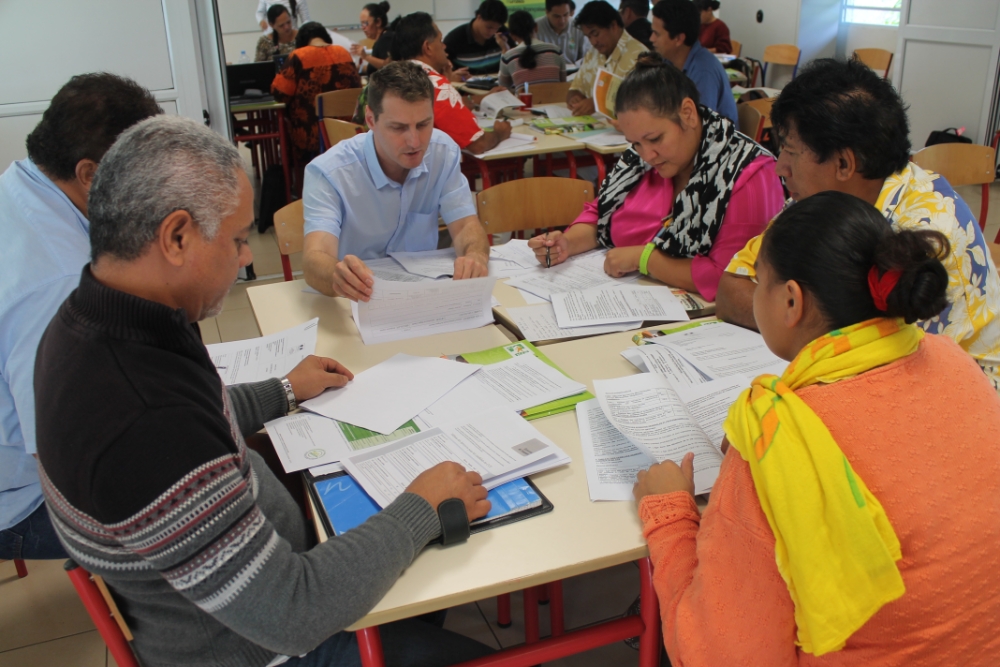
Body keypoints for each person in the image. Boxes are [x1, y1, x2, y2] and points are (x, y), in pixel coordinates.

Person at [34, 114, 495, 667]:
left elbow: (200, 412)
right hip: (259, 647)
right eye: (235, 239)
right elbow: (294, 614)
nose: (246, 255)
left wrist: (281, 390)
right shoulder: (143, 419)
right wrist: (418, 508)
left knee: (425, 567)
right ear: (177, 237)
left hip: (246, 593)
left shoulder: (99, 320)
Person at [634, 191, 1000, 665]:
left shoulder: (778, 431)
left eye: (758, 280)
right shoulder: (954, 361)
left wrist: (669, 515)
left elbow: (721, 653)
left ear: (791, 301)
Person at [716, 58, 1000, 391]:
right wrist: (808, 323)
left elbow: (883, 379)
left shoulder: (925, 237)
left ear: (843, 163)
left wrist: (792, 320)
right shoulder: (820, 198)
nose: (781, 168)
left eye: (790, 152)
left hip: (960, 406)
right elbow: (732, 287)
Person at [0, 74, 162, 564]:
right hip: (22, 502)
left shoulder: (19, 186)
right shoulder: (57, 276)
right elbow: (60, 454)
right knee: (199, 507)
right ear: (91, 174)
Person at [529, 55, 782, 301]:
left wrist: (645, 259)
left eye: (655, 139)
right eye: (635, 143)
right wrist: (567, 244)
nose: (647, 155)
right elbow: (601, 214)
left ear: (688, 113)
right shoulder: (641, 160)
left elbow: (731, 280)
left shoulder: (747, 172)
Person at [303, 61, 490, 301]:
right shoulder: (330, 172)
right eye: (398, 128)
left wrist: (476, 256)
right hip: (355, 300)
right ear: (371, 119)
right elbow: (314, 257)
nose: (414, 141)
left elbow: (465, 225)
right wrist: (337, 276)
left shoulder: (443, 152)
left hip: (424, 295)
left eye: (423, 125)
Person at [390, 11, 511, 155]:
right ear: (427, 47)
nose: (444, 46)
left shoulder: (389, 78)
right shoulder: (435, 85)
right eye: (440, 41)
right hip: (424, 171)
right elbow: (478, 144)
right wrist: (499, 133)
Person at [271, 22, 361, 164]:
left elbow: (280, 93)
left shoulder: (298, 56)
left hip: (311, 133)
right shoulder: (343, 52)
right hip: (345, 128)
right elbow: (356, 87)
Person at [650, 0, 737, 125]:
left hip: (712, 141)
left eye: (657, 34)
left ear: (678, 39)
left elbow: (698, 127)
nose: (651, 39)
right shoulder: (669, 61)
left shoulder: (704, 72)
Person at [566, 0, 646, 116]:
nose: (593, 42)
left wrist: (597, 103)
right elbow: (575, 87)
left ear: (613, 26)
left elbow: (641, 103)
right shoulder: (593, 53)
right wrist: (574, 97)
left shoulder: (640, 56)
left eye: (596, 34)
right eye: (588, 37)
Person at [498, 10, 567, 92]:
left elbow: (503, 89)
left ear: (512, 36)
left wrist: (504, 49)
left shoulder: (508, 57)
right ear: (536, 27)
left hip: (526, 103)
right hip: (556, 103)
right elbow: (563, 84)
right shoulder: (556, 51)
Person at [443, 0, 511, 74]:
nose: (493, 32)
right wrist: (451, 76)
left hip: (498, 83)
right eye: (489, 27)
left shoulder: (502, 33)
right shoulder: (455, 39)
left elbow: (515, 64)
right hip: (464, 83)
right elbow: (442, 69)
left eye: (497, 28)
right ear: (479, 17)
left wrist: (506, 49)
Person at [535, 0, 591, 66]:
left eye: (565, 15)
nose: (562, 20)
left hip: (573, 72)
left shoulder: (578, 27)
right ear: (547, 12)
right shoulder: (535, 28)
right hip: (545, 73)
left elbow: (586, 56)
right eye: (557, 16)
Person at [350, 1, 393, 74]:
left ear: (378, 22)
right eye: (362, 24)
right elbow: (373, 68)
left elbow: (388, 66)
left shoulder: (386, 39)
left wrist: (366, 56)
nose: (363, 28)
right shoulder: (380, 40)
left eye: (366, 23)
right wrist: (354, 68)